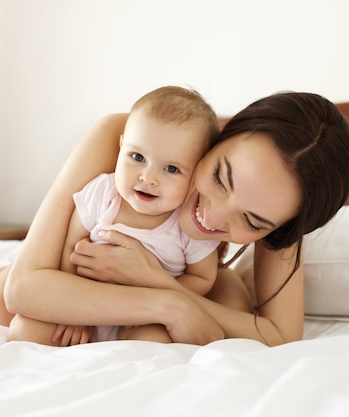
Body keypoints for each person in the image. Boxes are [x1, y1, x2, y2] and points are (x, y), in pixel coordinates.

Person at [0, 90, 349, 347]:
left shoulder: (291, 194)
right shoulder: (129, 138)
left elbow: (278, 336)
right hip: (89, 263)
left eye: (252, 223)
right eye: (220, 177)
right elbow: (24, 287)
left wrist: (158, 283)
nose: (212, 217)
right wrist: (169, 305)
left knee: (232, 303)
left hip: (185, 271)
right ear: (224, 137)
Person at [17, 86, 222, 345]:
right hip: (87, 304)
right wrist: (70, 310)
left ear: (196, 176)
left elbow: (203, 277)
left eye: (171, 168)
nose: (148, 177)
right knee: (25, 330)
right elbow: (70, 247)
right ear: (121, 146)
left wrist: (163, 294)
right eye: (137, 157)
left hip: (143, 318)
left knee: (152, 343)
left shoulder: (188, 224)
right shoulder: (104, 193)